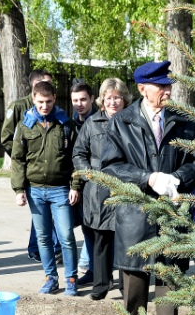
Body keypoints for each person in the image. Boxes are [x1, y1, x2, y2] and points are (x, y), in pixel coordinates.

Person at [100, 60, 195, 315]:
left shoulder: (184, 121)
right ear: (142, 89)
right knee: (134, 277)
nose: (167, 91)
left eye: (168, 85)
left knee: (170, 276)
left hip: (173, 213)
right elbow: (110, 166)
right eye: (160, 86)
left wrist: (177, 177)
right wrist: (147, 178)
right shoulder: (121, 122)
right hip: (136, 214)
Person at [11, 80, 80, 295]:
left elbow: (76, 158)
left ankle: (71, 279)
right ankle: (51, 278)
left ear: (54, 99)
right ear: (33, 99)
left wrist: (75, 186)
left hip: (60, 189)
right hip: (35, 190)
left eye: (48, 102)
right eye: (40, 102)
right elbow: (18, 159)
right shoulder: (25, 125)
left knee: (66, 235)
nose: (44, 106)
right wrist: (19, 190)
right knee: (43, 237)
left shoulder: (65, 124)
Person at [73, 77, 130, 300]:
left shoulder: (133, 122)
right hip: (97, 188)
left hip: (126, 185)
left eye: (117, 97)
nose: (113, 102)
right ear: (102, 100)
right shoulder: (92, 123)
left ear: (124, 99)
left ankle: (128, 286)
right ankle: (101, 284)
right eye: (109, 98)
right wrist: (87, 173)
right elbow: (79, 153)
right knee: (101, 240)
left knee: (127, 240)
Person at [1, 69, 62, 264]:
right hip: (30, 170)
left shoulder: (51, 108)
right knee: (41, 214)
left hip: (49, 173)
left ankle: (51, 247)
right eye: (44, 84)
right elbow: (7, 137)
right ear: (34, 87)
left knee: (48, 213)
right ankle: (37, 249)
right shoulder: (19, 106)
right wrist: (28, 159)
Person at [70, 79, 97, 284]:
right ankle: (92, 269)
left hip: (95, 183)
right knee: (86, 227)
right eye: (75, 100)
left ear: (92, 99)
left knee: (98, 230)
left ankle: (97, 270)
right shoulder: (71, 123)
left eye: (83, 99)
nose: (79, 104)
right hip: (78, 184)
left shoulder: (98, 121)